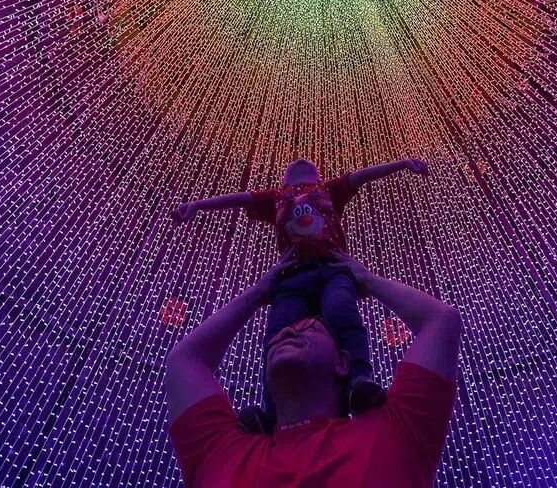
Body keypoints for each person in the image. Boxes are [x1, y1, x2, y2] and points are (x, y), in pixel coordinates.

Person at [164, 249, 462, 487]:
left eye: (311, 328)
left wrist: (367, 279)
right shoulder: (221, 449)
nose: (288, 331)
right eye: (280, 335)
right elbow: (183, 358)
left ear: (343, 362)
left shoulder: (397, 430)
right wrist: (257, 293)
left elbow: (442, 320)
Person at [172, 157, 428, 431]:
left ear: (318, 177)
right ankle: (273, 411)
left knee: (341, 311)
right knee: (279, 332)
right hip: (291, 277)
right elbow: (240, 199)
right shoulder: (275, 198)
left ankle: (358, 382)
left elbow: (361, 176)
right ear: (284, 180)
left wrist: (402, 164)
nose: (300, 160)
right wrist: (197, 205)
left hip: (334, 269)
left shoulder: (329, 189)